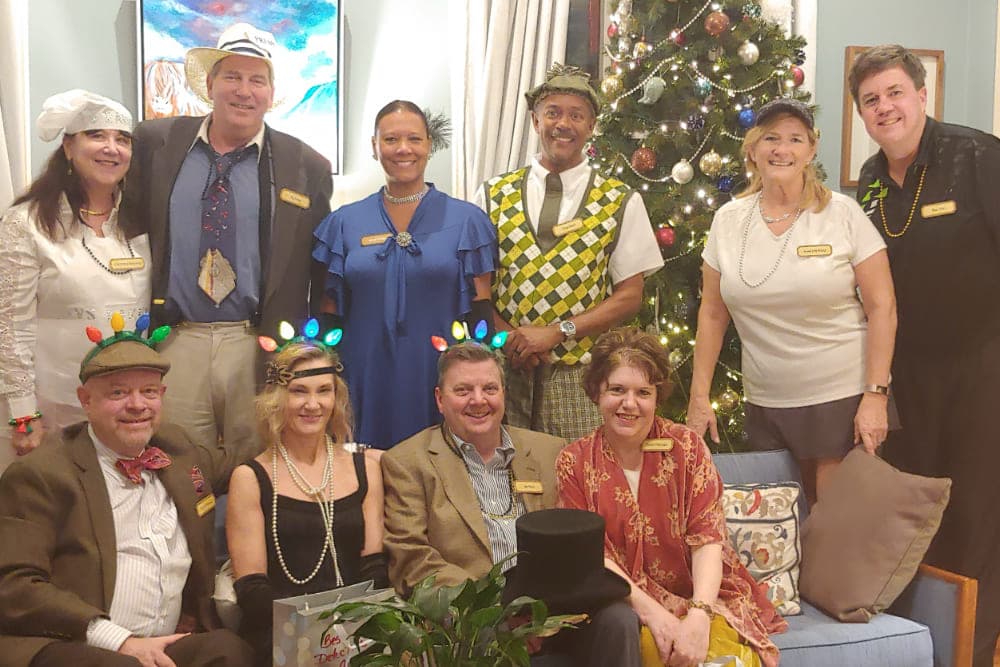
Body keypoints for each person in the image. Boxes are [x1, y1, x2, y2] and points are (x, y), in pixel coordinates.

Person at [849, 44, 1000, 667]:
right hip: (906, 377)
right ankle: (921, 643)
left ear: (921, 94)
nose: (885, 108)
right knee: (914, 512)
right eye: (870, 100)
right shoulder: (869, 183)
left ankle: (972, 647)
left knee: (977, 512)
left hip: (982, 367)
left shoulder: (978, 156)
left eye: (894, 93)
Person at [123, 22, 333, 462]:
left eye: (257, 79)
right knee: (177, 466)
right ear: (211, 84)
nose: (244, 90)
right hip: (174, 340)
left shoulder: (305, 165)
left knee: (259, 466)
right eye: (232, 77)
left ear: (270, 93)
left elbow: (319, 266)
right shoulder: (155, 143)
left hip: (256, 342)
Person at [0, 317, 254, 667]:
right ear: (85, 400)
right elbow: (14, 585)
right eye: (118, 392)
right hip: (71, 643)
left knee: (228, 649)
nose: (137, 405)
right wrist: (120, 641)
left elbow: (246, 458)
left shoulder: (179, 451)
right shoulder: (41, 475)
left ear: (162, 396)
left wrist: (335, 439)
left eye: (148, 391)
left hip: (162, 644)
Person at [687, 97, 896, 506]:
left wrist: (875, 395)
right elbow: (712, 314)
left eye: (795, 139)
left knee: (833, 530)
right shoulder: (727, 221)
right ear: (752, 148)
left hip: (840, 398)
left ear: (811, 150)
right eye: (771, 138)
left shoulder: (843, 214)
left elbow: (882, 307)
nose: (782, 149)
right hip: (766, 402)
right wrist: (699, 398)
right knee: (777, 532)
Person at [382, 342, 638, 667]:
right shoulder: (408, 462)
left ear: (503, 393)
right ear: (440, 399)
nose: (479, 400)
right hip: (474, 616)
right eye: (463, 390)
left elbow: (575, 535)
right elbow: (412, 560)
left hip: (559, 608)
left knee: (619, 618)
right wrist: (498, 610)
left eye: (489, 388)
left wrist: (550, 612)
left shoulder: (550, 451)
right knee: (493, 637)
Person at [557, 327, 786, 667]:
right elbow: (591, 556)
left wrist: (699, 616)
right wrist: (654, 615)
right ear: (596, 393)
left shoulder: (688, 448)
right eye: (617, 390)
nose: (629, 404)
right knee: (655, 650)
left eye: (643, 392)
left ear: (657, 396)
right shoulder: (573, 461)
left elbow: (707, 538)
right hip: (623, 603)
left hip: (700, 595)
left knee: (726, 659)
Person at [474, 63, 663, 442]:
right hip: (504, 374)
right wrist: (512, 338)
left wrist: (559, 332)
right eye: (553, 113)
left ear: (591, 126)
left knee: (578, 485)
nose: (564, 124)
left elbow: (630, 296)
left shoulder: (620, 201)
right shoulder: (491, 194)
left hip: (580, 378)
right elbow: (476, 286)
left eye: (576, 116)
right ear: (534, 120)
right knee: (503, 484)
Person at [313, 100, 496, 449]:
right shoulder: (343, 223)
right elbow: (329, 311)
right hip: (363, 373)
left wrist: (477, 385)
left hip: (441, 374)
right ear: (374, 146)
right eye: (391, 139)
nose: (402, 149)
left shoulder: (467, 221)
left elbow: (481, 312)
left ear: (429, 144)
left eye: (414, 139)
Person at [0, 89, 148, 471]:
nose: (111, 148)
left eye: (122, 139)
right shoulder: (27, 224)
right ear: (68, 147)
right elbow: (9, 326)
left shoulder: (140, 224)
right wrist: (22, 413)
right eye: (97, 135)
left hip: (124, 414)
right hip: (50, 410)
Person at [225, 333, 386, 666]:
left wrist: (348, 636)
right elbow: (253, 591)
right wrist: (314, 638)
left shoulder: (365, 469)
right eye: (300, 391)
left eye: (323, 391)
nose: (313, 405)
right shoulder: (250, 478)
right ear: (277, 399)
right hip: (281, 639)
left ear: (336, 397)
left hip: (357, 633)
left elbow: (375, 569)